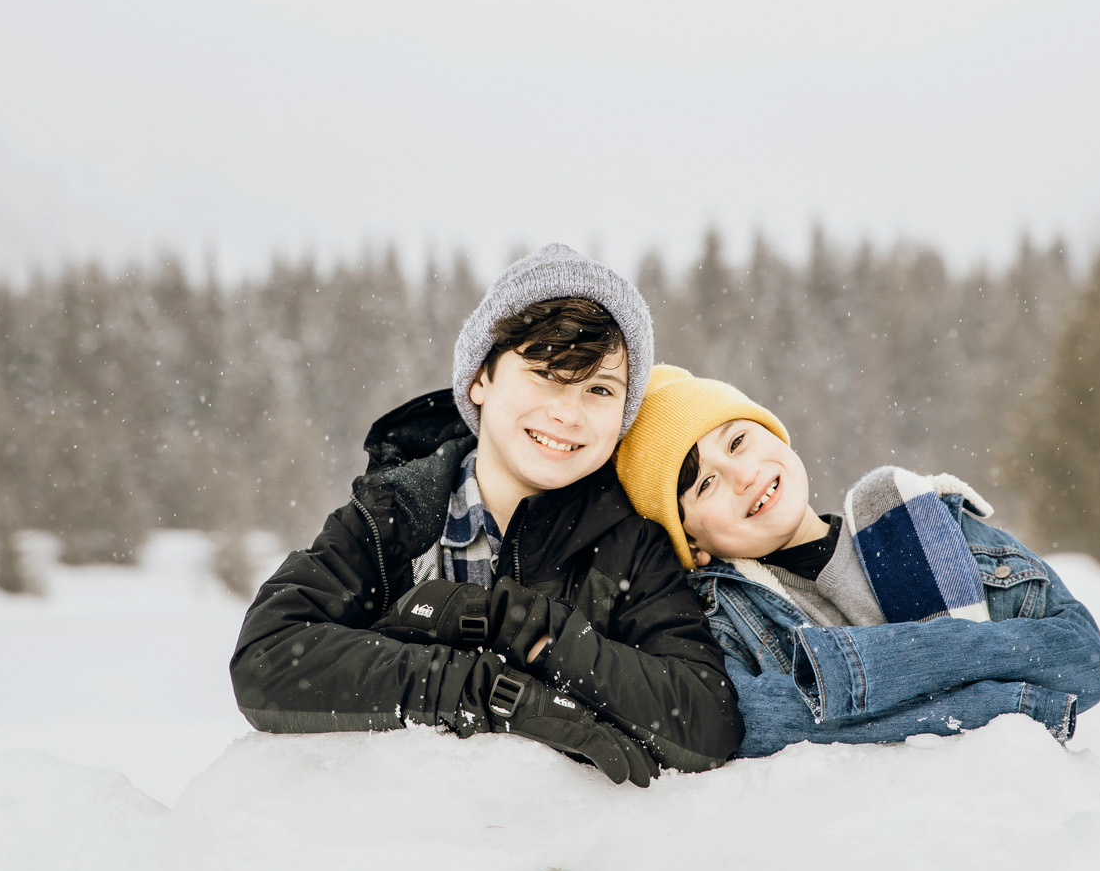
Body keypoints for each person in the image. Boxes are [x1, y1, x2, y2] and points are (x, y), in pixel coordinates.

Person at [229, 248, 740, 786]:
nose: (568, 413)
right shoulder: (396, 517)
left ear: (623, 414)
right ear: (479, 379)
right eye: (545, 374)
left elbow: (707, 720)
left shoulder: (631, 540)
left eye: (599, 389)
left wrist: (524, 628)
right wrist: (488, 692)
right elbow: (270, 656)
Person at [614, 366, 1100, 757]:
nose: (742, 475)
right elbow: (753, 723)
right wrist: (1000, 701)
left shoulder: (918, 517)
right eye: (705, 484)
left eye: (738, 441)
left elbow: (1081, 659)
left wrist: (857, 673)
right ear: (693, 546)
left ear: (775, 434)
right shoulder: (725, 625)